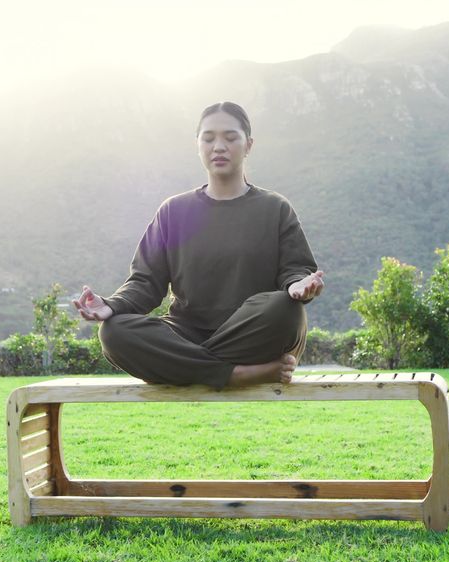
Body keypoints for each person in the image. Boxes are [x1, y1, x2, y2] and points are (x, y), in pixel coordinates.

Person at [72, 101, 325, 388]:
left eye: (230, 138)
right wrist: (111, 305)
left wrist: (296, 286)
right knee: (114, 332)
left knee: (287, 310)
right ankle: (237, 374)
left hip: (250, 333)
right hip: (186, 332)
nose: (219, 146)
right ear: (198, 145)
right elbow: (145, 282)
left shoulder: (275, 208)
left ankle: (192, 368)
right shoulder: (174, 211)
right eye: (209, 138)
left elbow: (296, 268)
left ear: (248, 145)